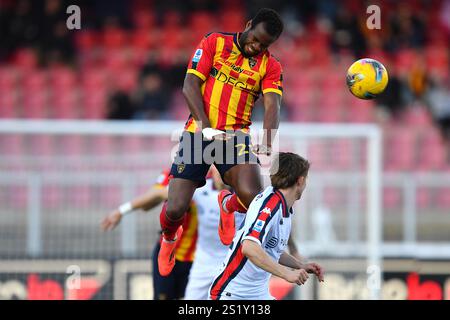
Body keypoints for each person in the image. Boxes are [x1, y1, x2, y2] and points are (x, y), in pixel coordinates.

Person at [158, 8, 285, 277]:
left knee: (255, 199)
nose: (256, 47)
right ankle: (169, 238)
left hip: (235, 136)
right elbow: (189, 85)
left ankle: (228, 204)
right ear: (248, 25)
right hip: (198, 132)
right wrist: (206, 128)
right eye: (255, 39)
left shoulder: (270, 66)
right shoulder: (215, 42)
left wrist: (269, 140)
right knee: (176, 208)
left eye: (264, 45)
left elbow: (273, 105)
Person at [209, 152, 324, 300]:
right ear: (300, 181)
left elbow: (272, 250)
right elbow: (250, 248)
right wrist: (286, 273)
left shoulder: (285, 207)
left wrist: (301, 265)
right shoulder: (270, 206)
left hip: (257, 294)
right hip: (232, 294)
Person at [101, 169, 197, 300]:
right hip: (167, 252)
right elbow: (150, 202)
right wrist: (121, 211)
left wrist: (121, 211)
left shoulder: (210, 178)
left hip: (198, 258)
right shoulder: (171, 173)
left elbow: (157, 195)